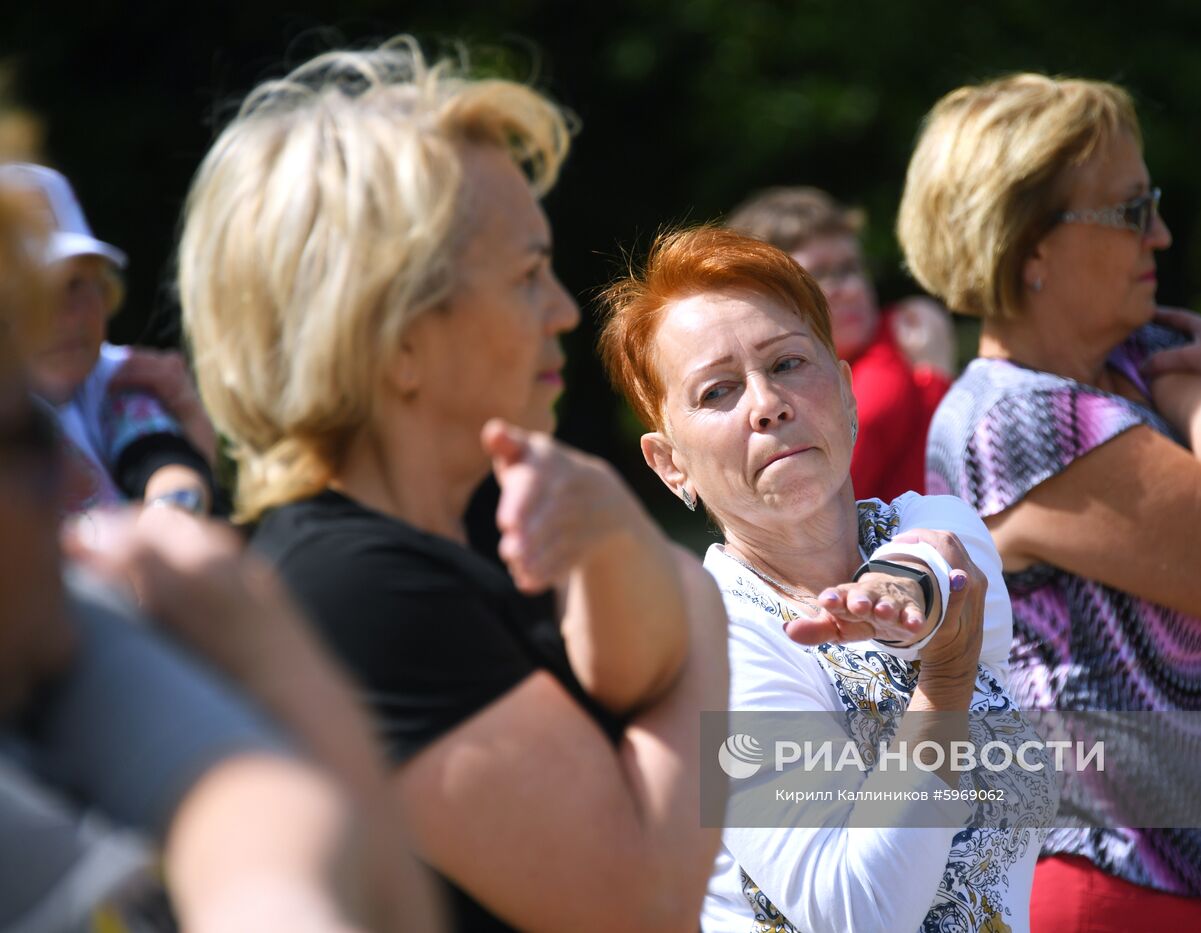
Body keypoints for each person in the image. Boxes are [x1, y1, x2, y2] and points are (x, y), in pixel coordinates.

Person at [177, 38, 728, 932]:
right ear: (394, 337)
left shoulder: (477, 523)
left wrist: (630, 561)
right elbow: (646, 906)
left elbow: (637, 681)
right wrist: (696, 601)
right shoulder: (355, 590)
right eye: (525, 274)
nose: (561, 307)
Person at [900, 73, 1201, 930]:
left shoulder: (1145, 353)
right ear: (1027, 246)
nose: (1159, 231)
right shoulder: (1012, 421)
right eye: (1127, 211)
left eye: (1150, 201)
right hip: (1123, 895)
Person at [0, 171, 440, 933]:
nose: (562, 309)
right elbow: (652, 887)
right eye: (528, 274)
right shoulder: (370, 584)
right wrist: (689, 641)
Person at [599, 225, 1054, 932]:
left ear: (845, 393)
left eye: (786, 363)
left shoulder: (937, 521)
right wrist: (945, 679)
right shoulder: (713, 643)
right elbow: (858, 909)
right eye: (717, 390)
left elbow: (940, 566)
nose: (766, 404)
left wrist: (909, 594)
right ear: (669, 464)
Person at [0, 163, 213, 515]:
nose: (66, 317)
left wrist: (171, 514)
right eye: (32, 296)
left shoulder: (114, 381)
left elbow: (163, 457)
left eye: (76, 284)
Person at [728, 187, 951, 502]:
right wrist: (933, 376)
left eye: (850, 268)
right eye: (817, 276)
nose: (847, 289)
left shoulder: (908, 331)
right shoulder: (768, 400)